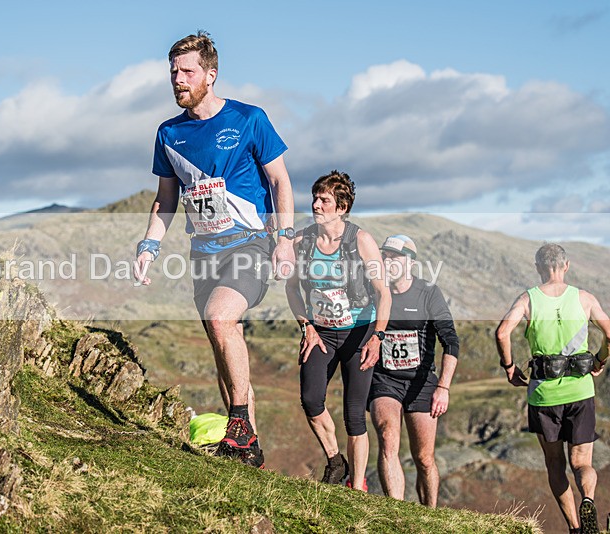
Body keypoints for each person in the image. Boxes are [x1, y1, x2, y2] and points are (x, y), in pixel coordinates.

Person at [134, 31, 295, 468]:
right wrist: (150, 244)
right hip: (204, 252)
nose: (178, 80)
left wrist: (285, 240)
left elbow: (280, 182)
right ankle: (248, 447)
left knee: (222, 318)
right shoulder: (168, 133)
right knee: (224, 344)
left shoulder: (249, 119)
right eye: (173, 72)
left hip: (250, 243)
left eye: (187, 72)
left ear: (211, 74)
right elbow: (165, 198)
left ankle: (238, 425)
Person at [285, 171, 390, 489]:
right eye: (315, 198)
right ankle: (334, 459)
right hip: (321, 332)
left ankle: (356, 485)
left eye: (324, 200)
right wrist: (306, 326)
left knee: (354, 414)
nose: (316, 204)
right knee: (311, 400)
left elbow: (384, 292)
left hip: (359, 332)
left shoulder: (360, 241)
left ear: (341, 207)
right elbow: (291, 290)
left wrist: (378, 336)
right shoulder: (301, 242)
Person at [496, 243, 609, 534]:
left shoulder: (528, 299)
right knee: (582, 462)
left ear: (538, 267)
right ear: (566, 266)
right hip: (580, 391)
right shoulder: (584, 298)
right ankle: (588, 498)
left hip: (544, 394)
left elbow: (502, 332)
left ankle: (575, 528)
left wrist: (509, 367)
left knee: (555, 464)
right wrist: (599, 359)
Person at [368, 235, 459, 507]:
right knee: (387, 437)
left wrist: (443, 388)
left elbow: (451, 341)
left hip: (421, 382)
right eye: (385, 256)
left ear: (409, 262)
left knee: (424, 457)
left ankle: (429, 513)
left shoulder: (428, 292)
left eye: (394, 257)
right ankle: (397, 513)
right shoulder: (375, 290)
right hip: (384, 380)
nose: (388, 261)